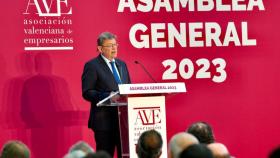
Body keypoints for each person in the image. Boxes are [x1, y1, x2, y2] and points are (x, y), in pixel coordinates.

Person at [82, 32, 131, 158]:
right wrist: (107, 95)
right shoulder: (92, 66)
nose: (114, 48)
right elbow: (87, 92)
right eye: (110, 45)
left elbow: (129, 88)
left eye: (115, 45)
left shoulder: (122, 64)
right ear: (100, 49)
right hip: (104, 123)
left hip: (124, 122)